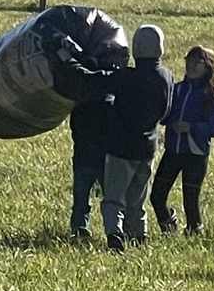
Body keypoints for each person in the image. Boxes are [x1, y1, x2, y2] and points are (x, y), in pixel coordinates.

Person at [101, 25, 175, 252]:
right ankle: (139, 236)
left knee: (114, 197)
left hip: (121, 147)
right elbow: (165, 114)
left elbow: (96, 83)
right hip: (148, 147)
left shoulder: (127, 78)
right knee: (137, 198)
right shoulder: (166, 76)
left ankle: (115, 234)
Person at [152, 45, 214, 235]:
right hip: (173, 151)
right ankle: (169, 226)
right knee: (157, 196)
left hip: (196, 155)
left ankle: (194, 235)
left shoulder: (211, 96)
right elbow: (164, 115)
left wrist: (191, 128)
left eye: (197, 62)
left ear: (208, 67)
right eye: (189, 60)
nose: (191, 65)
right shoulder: (176, 89)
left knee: (191, 201)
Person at [67, 89, 112, 241]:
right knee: (110, 199)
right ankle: (113, 229)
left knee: (81, 199)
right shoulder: (110, 104)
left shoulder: (80, 105)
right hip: (104, 158)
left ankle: (79, 229)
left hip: (83, 157)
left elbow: (74, 128)